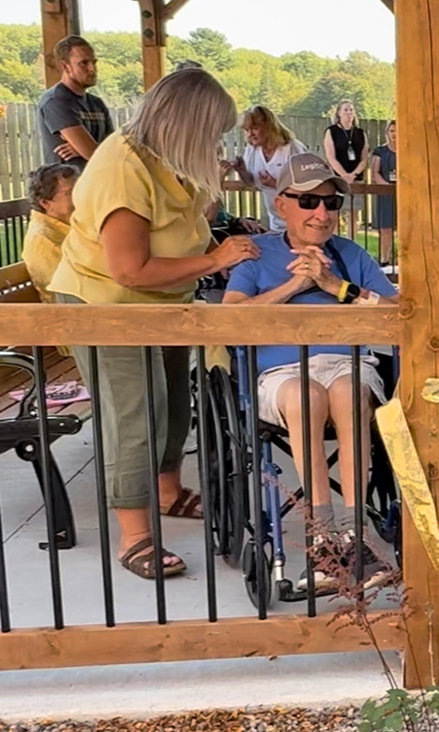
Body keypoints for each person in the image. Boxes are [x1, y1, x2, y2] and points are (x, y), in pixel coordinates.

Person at [48, 68, 260, 580]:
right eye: (211, 133)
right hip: (107, 302)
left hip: (163, 299)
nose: (217, 145)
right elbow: (129, 268)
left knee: (174, 402)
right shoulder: (122, 167)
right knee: (135, 411)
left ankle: (167, 492)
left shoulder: (171, 159)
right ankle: (134, 535)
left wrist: (216, 248)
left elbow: (182, 230)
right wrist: (213, 262)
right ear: (186, 127)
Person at [224, 153, 397, 592]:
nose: (322, 212)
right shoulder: (257, 254)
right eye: (308, 201)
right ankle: (323, 538)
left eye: (331, 202)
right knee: (306, 396)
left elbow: (397, 313)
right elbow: (231, 318)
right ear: (280, 204)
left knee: (347, 392)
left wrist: (335, 286)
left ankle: (354, 535)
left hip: (347, 365)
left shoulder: (350, 254)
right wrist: (294, 286)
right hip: (281, 373)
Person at [226, 105, 307, 234]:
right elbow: (250, 182)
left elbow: (308, 187)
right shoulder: (252, 150)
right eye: (247, 130)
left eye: (255, 128)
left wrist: (276, 184)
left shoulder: (292, 148)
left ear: (269, 126)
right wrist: (242, 171)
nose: (250, 134)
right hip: (276, 221)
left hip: (301, 219)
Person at [37, 36, 113, 170]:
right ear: (65, 66)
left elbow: (114, 147)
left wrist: (83, 149)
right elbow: (91, 153)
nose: (92, 69)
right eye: (84, 63)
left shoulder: (97, 103)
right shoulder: (56, 101)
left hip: (97, 178)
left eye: (94, 62)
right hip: (68, 181)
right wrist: (90, 149)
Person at [22, 163, 79, 303]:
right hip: (71, 311)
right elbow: (69, 289)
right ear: (46, 203)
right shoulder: (42, 238)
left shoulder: (74, 224)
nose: (82, 194)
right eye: (71, 192)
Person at [323, 100, 368, 239]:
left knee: (353, 213)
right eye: (346, 110)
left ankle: (351, 241)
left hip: (356, 179)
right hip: (337, 179)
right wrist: (343, 175)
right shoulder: (331, 132)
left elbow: (364, 158)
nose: (349, 113)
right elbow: (331, 157)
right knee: (335, 212)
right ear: (339, 113)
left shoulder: (360, 133)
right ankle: (335, 241)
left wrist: (353, 174)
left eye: (351, 110)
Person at [370, 120, 399, 267]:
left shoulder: (408, 150)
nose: (394, 134)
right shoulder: (380, 151)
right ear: (387, 133)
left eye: (397, 130)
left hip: (404, 194)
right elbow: (375, 173)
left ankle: (402, 259)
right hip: (386, 194)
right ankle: (385, 259)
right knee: (386, 228)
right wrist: (387, 186)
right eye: (391, 131)